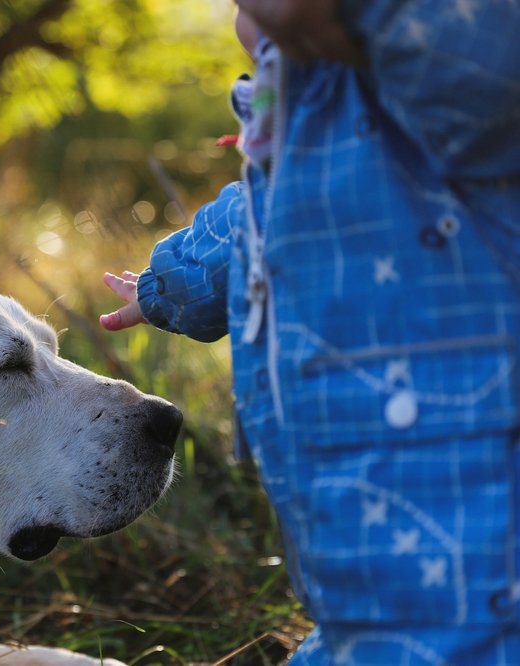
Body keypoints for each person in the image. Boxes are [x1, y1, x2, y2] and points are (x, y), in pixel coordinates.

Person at [100, 1, 520, 663]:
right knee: (363, 613)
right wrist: (161, 288)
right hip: (337, 501)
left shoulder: (447, 64)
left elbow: (489, 74)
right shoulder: (295, 118)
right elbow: (244, 229)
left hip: (463, 481)